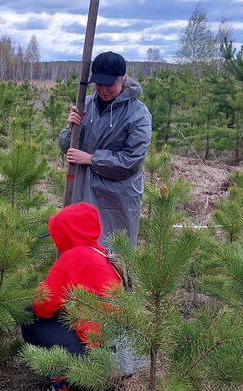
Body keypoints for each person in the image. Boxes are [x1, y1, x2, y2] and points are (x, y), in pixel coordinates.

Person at [21, 202, 120, 391]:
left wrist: (39, 288)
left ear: (66, 234)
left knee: (29, 317)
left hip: (92, 357)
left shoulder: (73, 258)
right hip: (117, 355)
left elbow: (42, 305)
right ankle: (102, 389)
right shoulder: (101, 253)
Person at [59, 51, 152, 247]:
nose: (103, 90)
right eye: (99, 84)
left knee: (113, 251)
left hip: (117, 197)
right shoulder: (86, 104)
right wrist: (70, 129)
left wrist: (92, 159)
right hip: (82, 190)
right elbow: (67, 148)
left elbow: (132, 160)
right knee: (80, 246)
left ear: (122, 79)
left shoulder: (138, 113)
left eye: (109, 84)